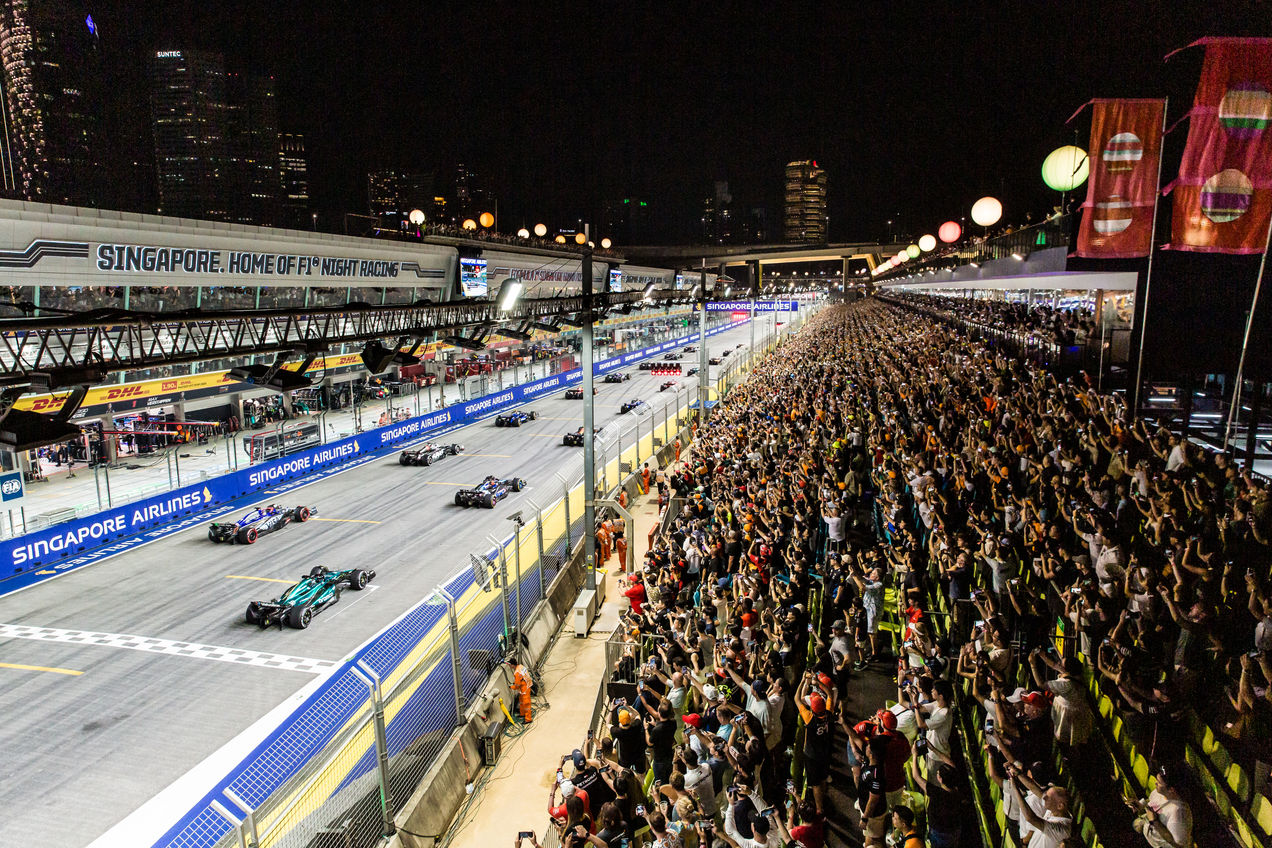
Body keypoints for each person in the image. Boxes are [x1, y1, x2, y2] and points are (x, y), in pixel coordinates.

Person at [1128, 764, 1193, 848]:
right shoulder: (1159, 791)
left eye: (1159, 782)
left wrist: (1155, 822)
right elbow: (1154, 801)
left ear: (1171, 790)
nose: (1156, 783)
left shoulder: (1177, 813)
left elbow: (1179, 845)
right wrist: (1141, 804)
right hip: (1149, 831)